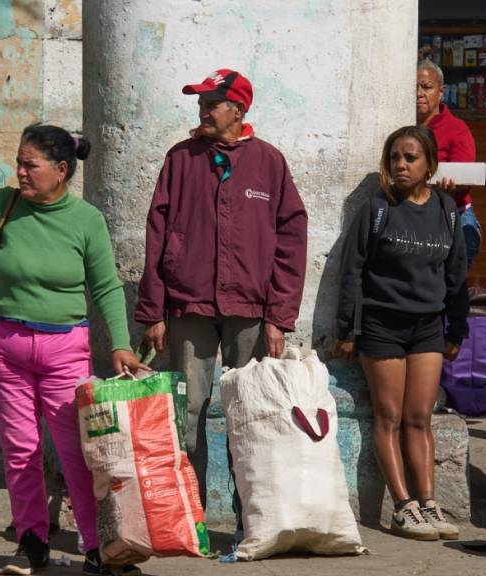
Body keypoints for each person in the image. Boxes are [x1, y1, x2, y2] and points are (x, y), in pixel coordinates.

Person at [0, 124, 146, 576]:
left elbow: (106, 286)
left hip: (65, 348)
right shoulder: (2, 205)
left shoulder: (86, 220)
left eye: (30, 165)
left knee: (78, 453)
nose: (21, 172)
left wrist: (122, 345)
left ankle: (96, 548)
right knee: (21, 450)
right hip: (2, 345)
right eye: (20, 162)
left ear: (62, 170)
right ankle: (32, 544)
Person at [135, 69, 308, 513]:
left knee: (249, 413)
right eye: (201, 103)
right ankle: (190, 514)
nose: (203, 110)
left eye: (213, 103)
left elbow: (291, 238)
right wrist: (153, 311)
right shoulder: (180, 159)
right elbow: (157, 234)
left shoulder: (269, 162)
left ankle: (251, 513)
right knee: (187, 411)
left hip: (250, 311)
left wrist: (278, 316)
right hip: (188, 306)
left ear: (239, 109)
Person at [335, 126, 469, 541]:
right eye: (395, 157)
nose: (401, 165)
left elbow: (457, 273)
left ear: (429, 163)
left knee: (419, 417)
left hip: (427, 327)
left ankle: (428, 503)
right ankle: (402, 506)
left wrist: (456, 328)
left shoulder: (446, 209)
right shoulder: (377, 208)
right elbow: (352, 270)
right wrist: (346, 329)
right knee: (389, 417)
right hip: (382, 326)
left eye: (410, 158)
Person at [416, 59, 481, 265]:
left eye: (426, 87)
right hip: (413, 215)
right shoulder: (401, 126)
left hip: (454, 214)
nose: (419, 93)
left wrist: (448, 187)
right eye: (413, 87)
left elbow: (463, 176)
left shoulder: (457, 129)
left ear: (441, 92)